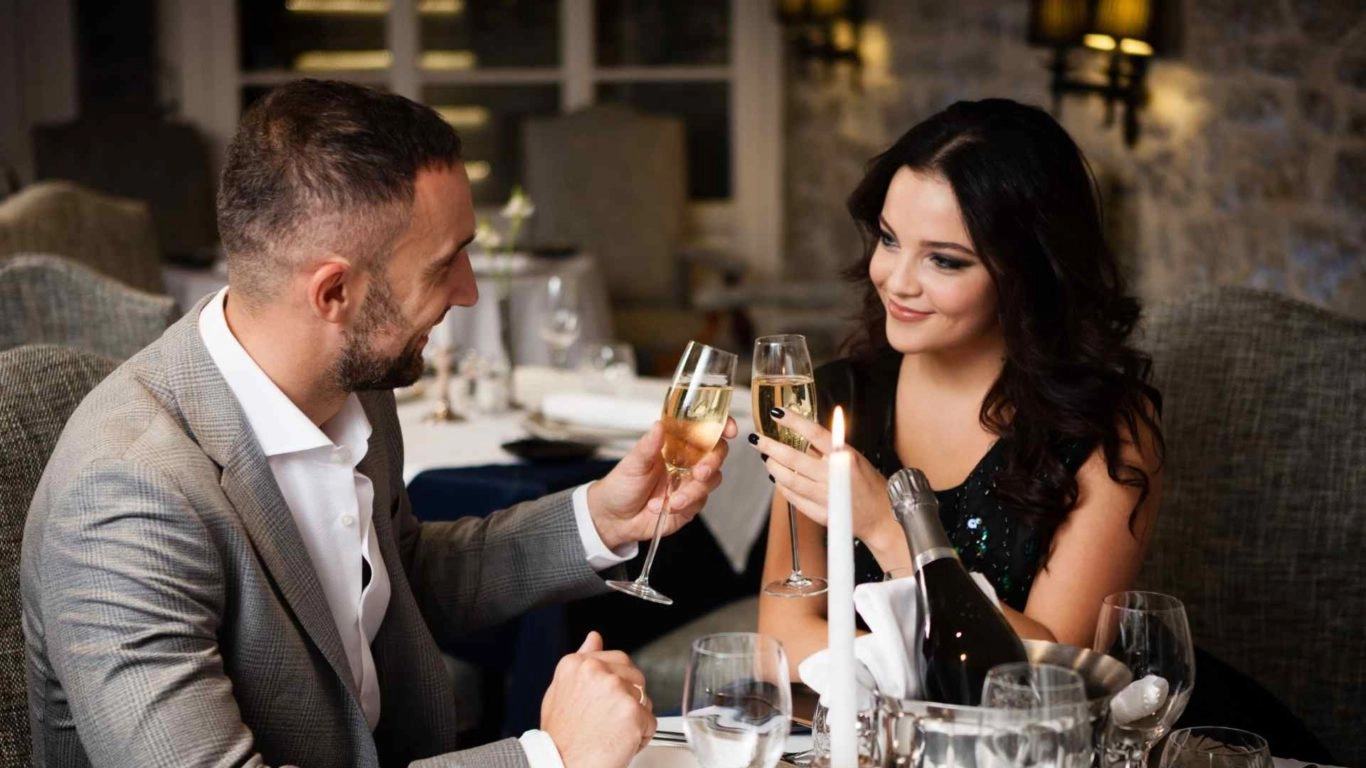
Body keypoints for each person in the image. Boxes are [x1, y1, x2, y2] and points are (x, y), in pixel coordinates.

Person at [21, 79, 735, 768]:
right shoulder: (127, 497)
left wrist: (601, 519)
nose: (469, 291)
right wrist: (550, 756)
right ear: (334, 291)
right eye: (444, 264)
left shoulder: (354, 382)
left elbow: (396, 581)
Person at [752, 98, 1164, 667]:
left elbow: (1055, 668)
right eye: (890, 239)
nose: (895, 281)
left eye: (944, 261)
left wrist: (889, 531)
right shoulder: (833, 397)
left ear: (1027, 273)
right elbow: (781, 641)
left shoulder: (1105, 429)